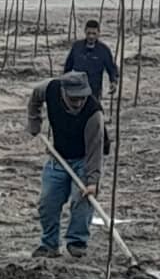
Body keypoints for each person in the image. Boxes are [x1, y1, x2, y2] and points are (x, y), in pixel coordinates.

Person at [27, 71, 105, 259]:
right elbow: (35, 97)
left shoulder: (93, 114)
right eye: (73, 98)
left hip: (84, 159)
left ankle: (77, 243)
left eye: (81, 98)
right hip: (58, 156)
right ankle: (49, 245)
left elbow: (96, 151)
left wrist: (93, 181)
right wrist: (34, 121)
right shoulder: (50, 89)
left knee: (82, 200)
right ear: (63, 92)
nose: (78, 102)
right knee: (48, 201)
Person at [64, 20, 119, 100]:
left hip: (94, 90)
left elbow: (112, 68)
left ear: (99, 33)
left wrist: (113, 82)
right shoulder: (77, 46)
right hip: (77, 89)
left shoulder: (104, 50)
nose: (91, 36)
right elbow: (68, 67)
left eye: (94, 34)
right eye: (89, 33)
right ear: (85, 32)